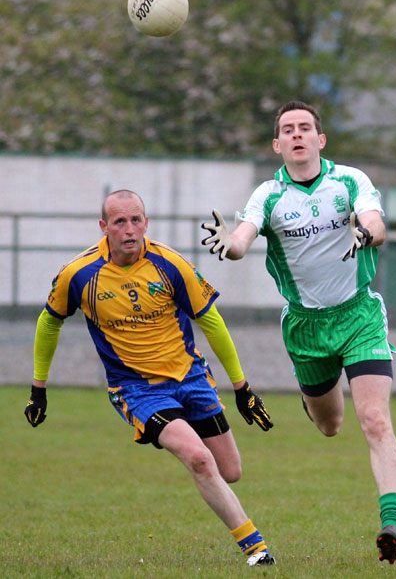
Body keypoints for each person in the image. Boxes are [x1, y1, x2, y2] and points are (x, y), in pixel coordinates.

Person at [24, 189, 275, 567]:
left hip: (190, 378)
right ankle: (257, 550)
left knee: (230, 471)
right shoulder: (79, 273)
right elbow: (49, 324)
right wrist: (38, 389)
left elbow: (211, 321)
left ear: (146, 222)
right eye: (119, 221)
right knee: (199, 459)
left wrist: (243, 388)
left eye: (136, 219)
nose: (129, 229)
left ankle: (183, 439)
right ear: (103, 227)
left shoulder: (170, 263)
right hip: (137, 389)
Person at [201, 100, 396, 565]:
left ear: (320, 139)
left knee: (374, 420)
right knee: (331, 425)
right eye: (288, 129)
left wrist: (366, 234)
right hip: (305, 326)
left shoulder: (350, 180)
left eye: (305, 127)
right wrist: (226, 243)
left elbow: (376, 222)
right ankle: (317, 400)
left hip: (359, 317)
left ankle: (392, 522)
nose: (297, 134)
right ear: (278, 144)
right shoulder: (268, 195)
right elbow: (240, 241)